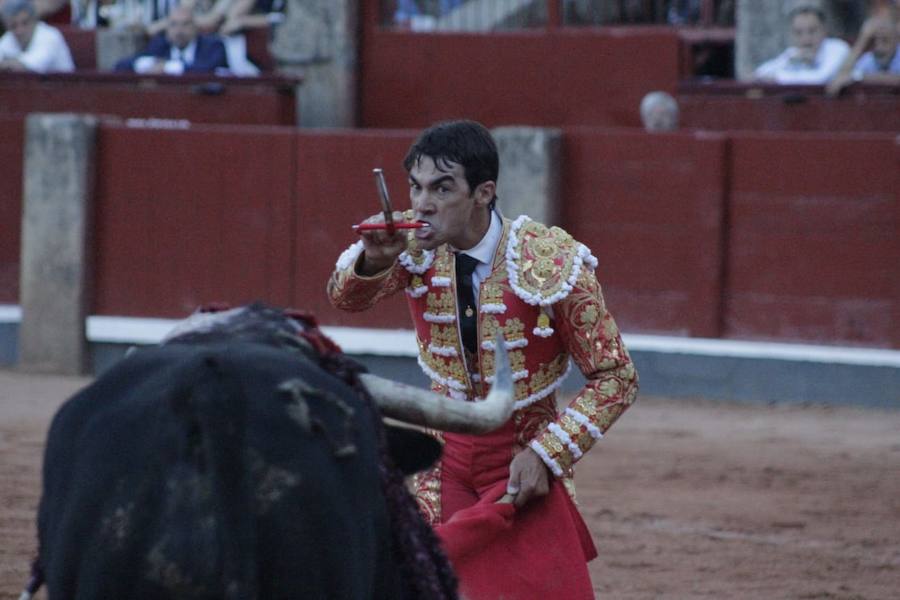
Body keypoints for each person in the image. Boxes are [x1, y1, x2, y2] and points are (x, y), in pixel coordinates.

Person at [327, 120, 639, 599]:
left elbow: (616, 375)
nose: (422, 203)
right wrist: (373, 260)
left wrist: (547, 454)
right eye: (416, 187)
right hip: (442, 455)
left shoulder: (549, 259)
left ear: (483, 192)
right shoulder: (411, 248)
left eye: (442, 188)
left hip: (521, 455)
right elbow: (346, 299)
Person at [114, 5, 228, 75]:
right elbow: (122, 65)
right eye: (174, 25)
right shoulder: (160, 44)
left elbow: (210, 70)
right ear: (167, 28)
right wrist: (149, 64)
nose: (179, 30)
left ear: (195, 27)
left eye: (185, 24)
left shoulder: (213, 45)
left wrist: (168, 67)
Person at [754, 4, 850, 84]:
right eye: (798, 33)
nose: (806, 39)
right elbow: (760, 73)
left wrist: (778, 78)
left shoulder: (838, 48)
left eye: (812, 31)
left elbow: (821, 78)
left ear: (824, 30)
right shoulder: (794, 53)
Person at [826, 9, 900, 94]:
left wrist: (860, 77)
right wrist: (862, 41)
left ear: (896, 37)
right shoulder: (868, 59)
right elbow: (837, 82)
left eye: (885, 40)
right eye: (874, 40)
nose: (879, 47)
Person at [0, 0, 74, 73]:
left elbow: (31, 67)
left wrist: (5, 63)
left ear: (34, 20)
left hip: (65, 84)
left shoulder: (50, 37)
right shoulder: (8, 37)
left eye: (25, 23)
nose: (20, 30)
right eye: (14, 26)